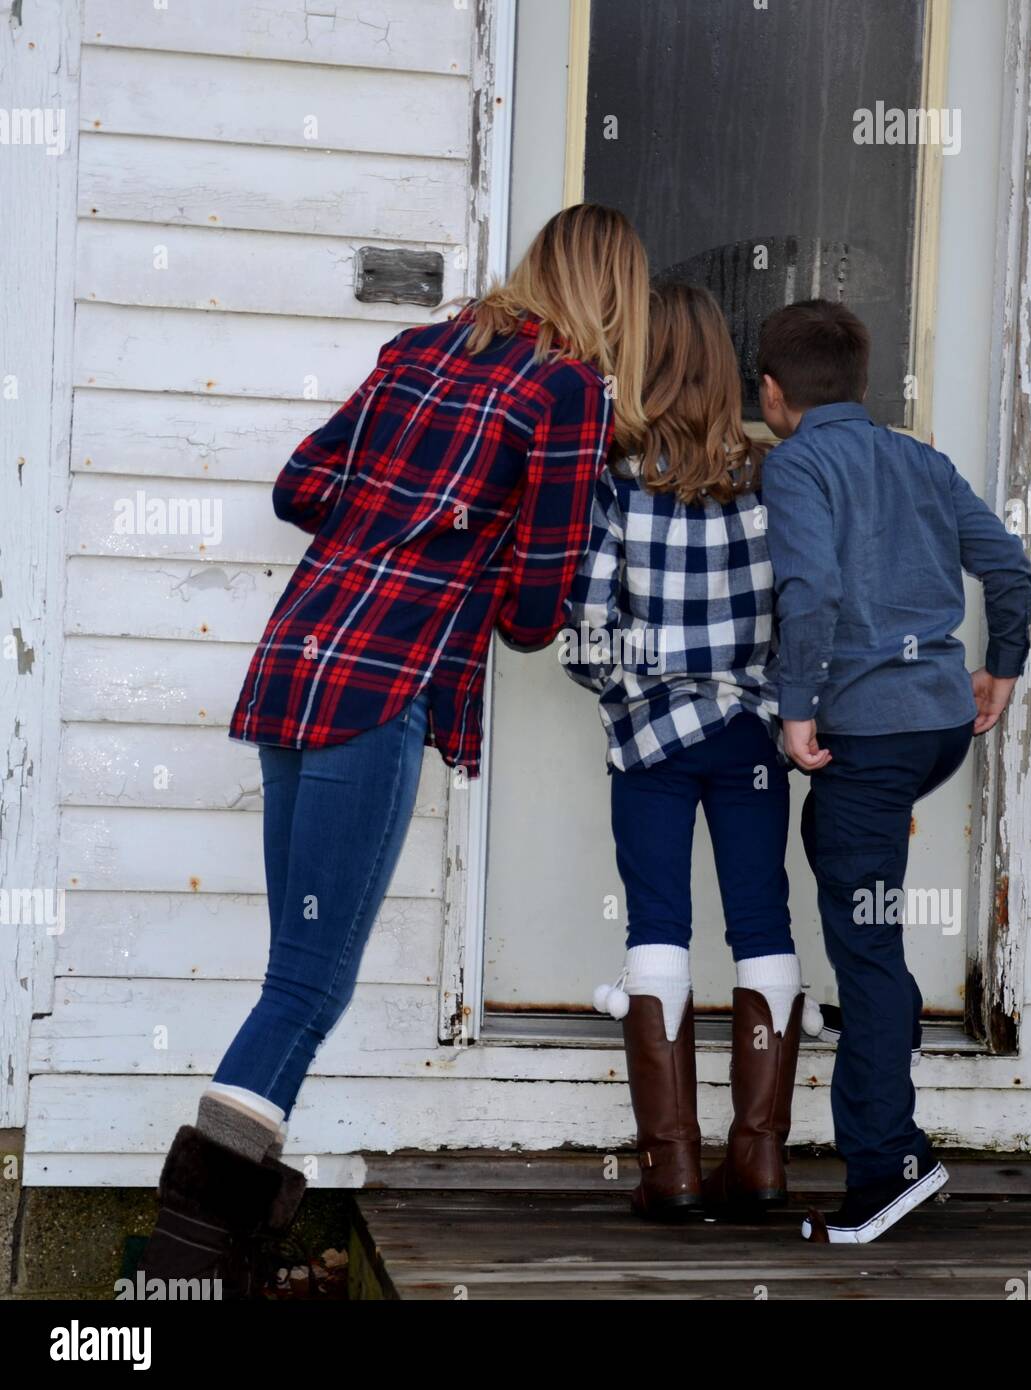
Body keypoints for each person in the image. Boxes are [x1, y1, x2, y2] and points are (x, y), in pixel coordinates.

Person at [137, 204, 650, 1295]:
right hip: (382, 683)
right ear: (619, 298)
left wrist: (391, 514)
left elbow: (300, 486)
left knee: (295, 976)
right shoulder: (570, 392)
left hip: (296, 657)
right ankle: (185, 1269)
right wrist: (477, 539)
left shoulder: (424, 348)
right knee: (307, 986)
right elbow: (532, 609)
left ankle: (215, 1262)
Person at [757, 298, 1031, 1244]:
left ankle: (890, 1166)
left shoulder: (794, 463)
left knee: (866, 944)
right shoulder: (920, 459)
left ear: (772, 393)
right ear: (864, 384)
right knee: (853, 881)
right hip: (936, 728)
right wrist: (1002, 665)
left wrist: (796, 710)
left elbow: (811, 593)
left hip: (867, 736)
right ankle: (888, 1058)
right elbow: (1008, 569)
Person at [563, 281, 816, 1220]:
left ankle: (669, 1168)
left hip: (651, 742)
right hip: (752, 735)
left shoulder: (615, 480)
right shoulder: (772, 481)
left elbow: (586, 629)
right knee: (763, 926)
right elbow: (803, 609)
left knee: (656, 926)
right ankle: (760, 1161)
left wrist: (631, 691)